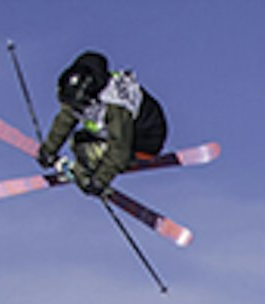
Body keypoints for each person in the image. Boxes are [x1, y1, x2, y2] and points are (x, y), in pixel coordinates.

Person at [36, 51, 169, 197]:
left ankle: (87, 173)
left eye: (78, 105)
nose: (75, 108)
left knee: (90, 152)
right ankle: (88, 168)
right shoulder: (85, 92)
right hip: (123, 131)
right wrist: (49, 149)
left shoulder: (115, 107)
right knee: (79, 140)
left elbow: (120, 149)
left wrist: (100, 180)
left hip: (145, 141)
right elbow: (66, 118)